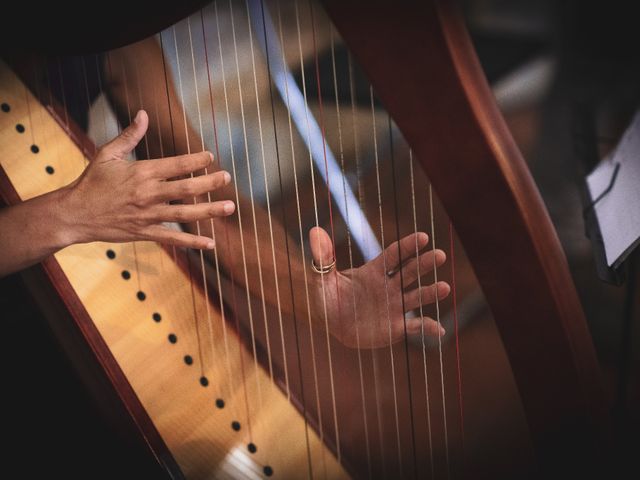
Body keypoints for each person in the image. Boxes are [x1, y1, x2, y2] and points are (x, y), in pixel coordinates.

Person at [0, 36, 450, 348]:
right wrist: (71, 214)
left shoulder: (112, 32)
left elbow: (213, 206)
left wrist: (322, 305)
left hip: (82, 289)